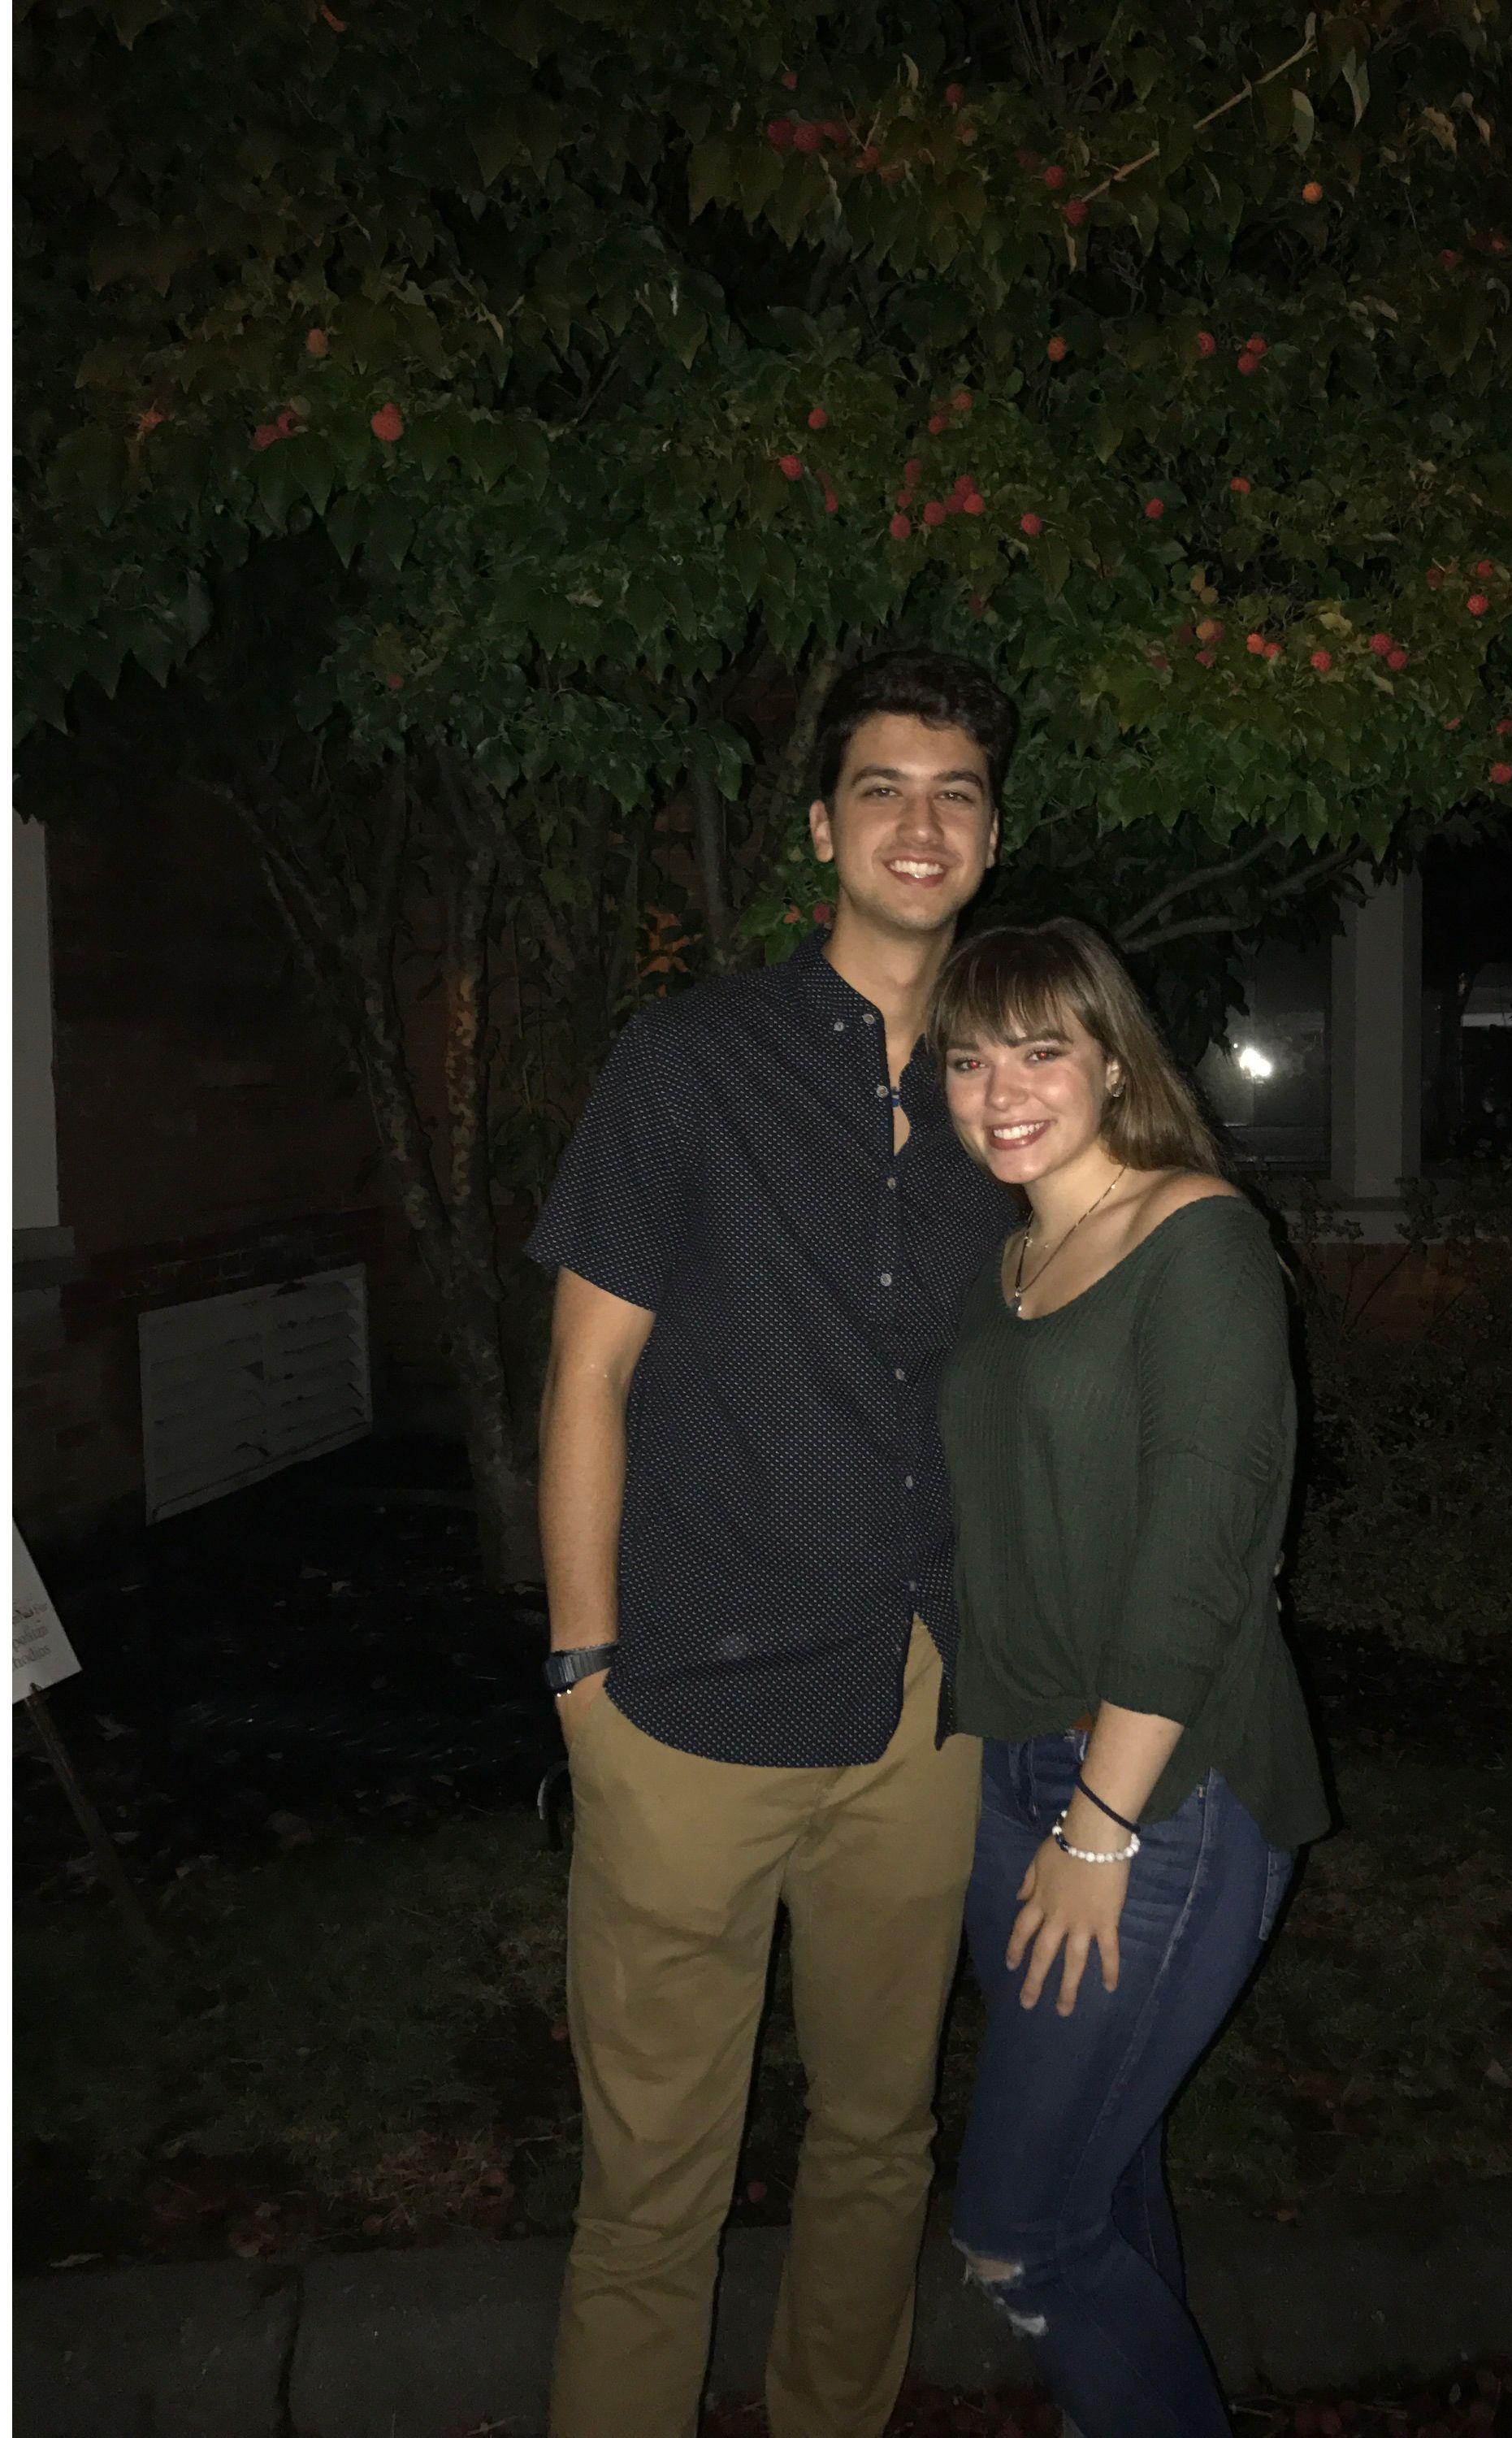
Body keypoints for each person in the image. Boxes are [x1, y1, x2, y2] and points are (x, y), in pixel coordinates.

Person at [525, 649, 1024, 2438]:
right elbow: (586, 1375)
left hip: (918, 1715)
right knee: (652, 2186)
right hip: (683, 1713)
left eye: (957, 793)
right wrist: (582, 1674)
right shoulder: (690, 1064)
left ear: (993, 835)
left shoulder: (1015, 1094)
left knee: (880, 2142)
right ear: (823, 828)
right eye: (883, 788)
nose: (920, 822)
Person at [929, 917, 1333, 2438]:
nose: (1002, 1091)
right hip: (1017, 1773)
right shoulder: (1007, 1268)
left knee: (1022, 2230)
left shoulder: (1197, 1238)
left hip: (1163, 1791)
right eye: (969, 1060)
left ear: (1113, 1061)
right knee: (1103, 2180)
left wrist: (1099, 1827)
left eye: (1041, 1051)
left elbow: (1197, 1562)